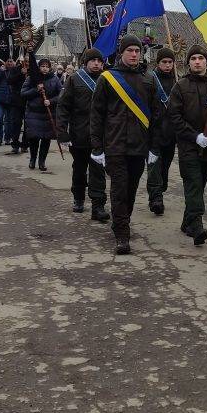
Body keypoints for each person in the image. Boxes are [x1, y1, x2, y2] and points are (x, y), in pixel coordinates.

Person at [89, 35, 163, 255]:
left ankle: (122, 221)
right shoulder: (108, 78)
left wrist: (154, 146)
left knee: (131, 189)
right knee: (119, 189)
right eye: (129, 50)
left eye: (137, 51)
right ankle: (122, 233)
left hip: (139, 146)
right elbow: (97, 115)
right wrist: (97, 147)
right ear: (121, 52)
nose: (133, 54)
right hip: (115, 144)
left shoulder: (149, 79)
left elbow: (157, 116)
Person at [167, 44, 207, 246]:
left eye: (200, 58)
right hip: (188, 146)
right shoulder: (180, 86)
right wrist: (193, 136)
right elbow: (174, 117)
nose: (197, 61)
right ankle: (197, 225)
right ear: (188, 62)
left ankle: (186, 222)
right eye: (193, 58)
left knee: (199, 185)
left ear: (206, 61)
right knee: (194, 183)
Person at [57, 48, 110, 222]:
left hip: (101, 135)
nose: (97, 64)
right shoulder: (74, 79)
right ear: (85, 62)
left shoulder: (108, 79)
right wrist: (62, 131)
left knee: (98, 171)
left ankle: (98, 205)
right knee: (79, 169)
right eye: (93, 61)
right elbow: (63, 106)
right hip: (79, 133)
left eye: (99, 61)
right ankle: (78, 197)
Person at [146, 47, 177, 215]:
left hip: (171, 133)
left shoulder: (177, 81)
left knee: (165, 167)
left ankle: (160, 189)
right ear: (158, 63)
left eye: (170, 62)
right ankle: (155, 199)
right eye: (164, 62)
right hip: (154, 131)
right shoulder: (151, 79)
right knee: (154, 167)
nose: (167, 65)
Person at [21, 58, 63, 172]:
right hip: (33, 114)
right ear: (38, 67)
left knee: (46, 139)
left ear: (50, 68)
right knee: (34, 139)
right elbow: (23, 93)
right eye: (42, 66)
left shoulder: (54, 79)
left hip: (48, 114)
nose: (44, 68)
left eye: (47, 66)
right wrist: (36, 90)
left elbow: (61, 95)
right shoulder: (32, 78)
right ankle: (33, 159)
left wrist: (51, 101)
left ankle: (42, 161)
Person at [7, 61, 28, 154]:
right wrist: (21, 73)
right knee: (16, 123)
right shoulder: (15, 69)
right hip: (16, 101)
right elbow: (10, 81)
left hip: (28, 101)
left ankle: (25, 144)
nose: (27, 62)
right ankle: (15, 144)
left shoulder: (33, 70)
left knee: (28, 125)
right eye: (25, 60)